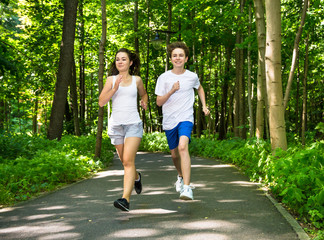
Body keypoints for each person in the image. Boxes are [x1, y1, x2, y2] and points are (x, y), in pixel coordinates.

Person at [155, 42, 209, 200]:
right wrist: (171, 90)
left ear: (186, 59)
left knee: (183, 147)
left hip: (186, 118)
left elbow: (199, 88)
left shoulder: (192, 76)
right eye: (174, 55)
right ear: (171, 58)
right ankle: (180, 176)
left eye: (181, 55)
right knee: (174, 155)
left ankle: (187, 188)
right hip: (169, 120)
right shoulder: (164, 78)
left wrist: (204, 106)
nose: (177, 58)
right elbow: (159, 102)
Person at [99, 48, 148, 211]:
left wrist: (144, 102)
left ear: (130, 62)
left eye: (124, 59)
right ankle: (136, 176)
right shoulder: (111, 80)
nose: (120, 61)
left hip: (133, 124)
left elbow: (144, 94)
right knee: (125, 161)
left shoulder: (137, 80)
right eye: (117, 59)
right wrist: (114, 88)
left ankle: (125, 200)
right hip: (116, 126)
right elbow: (101, 102)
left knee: (128, 161)